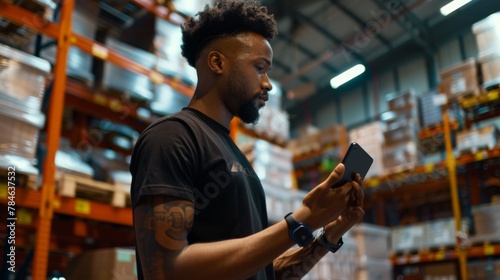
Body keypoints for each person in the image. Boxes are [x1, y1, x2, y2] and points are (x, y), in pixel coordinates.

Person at [129, 1, 365, 279]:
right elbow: (166, 269)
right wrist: (303, 218)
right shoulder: (173, 137)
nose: (268, 83)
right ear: (217, 62)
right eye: (259, 67)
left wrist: (326, 237)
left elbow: (259, 273)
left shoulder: (236, 156)